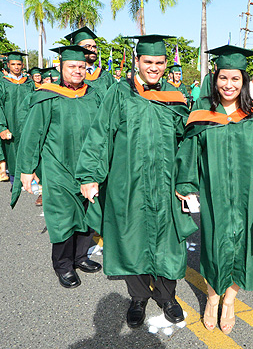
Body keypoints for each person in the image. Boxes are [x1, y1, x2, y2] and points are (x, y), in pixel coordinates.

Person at [76, 34, 194, 329]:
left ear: (166, 64)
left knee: (168, 242)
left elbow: (191, 141)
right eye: (148, 62)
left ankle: (168, 297)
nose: (154, 67)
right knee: (131, 239)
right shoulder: (119, 93)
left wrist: (188, 181)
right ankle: (138, 298)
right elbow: (100, 134)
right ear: (137, 62)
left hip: (166, 185)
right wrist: (90, 175)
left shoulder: (176, 97)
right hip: (128, 183)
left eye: (159, 62)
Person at [175, 45, 253, 334]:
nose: (228, 85)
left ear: (244, 81)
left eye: (235, 79)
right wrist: (186, 183)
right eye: (223, 78)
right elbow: (190, 151)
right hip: (215, 196)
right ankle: (212, 297)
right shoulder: (203, 114)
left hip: (249, 197)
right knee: (215, 246)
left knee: (246, 248)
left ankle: (229, 300)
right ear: (215, 79)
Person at [11, 45, 103, 288]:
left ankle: (81, 257)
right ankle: (63, 265)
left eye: (81, 67)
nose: (77, 71)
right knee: (63, 217)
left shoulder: (93, 95)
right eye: (72, 66)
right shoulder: (47, 95)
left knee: (88, 213)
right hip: (58, 167)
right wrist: (27, 169)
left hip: (88, 167)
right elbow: (33, 135)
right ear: (60, 68)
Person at [0, 51, 34, 184]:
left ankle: (31, 179)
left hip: (28, 122)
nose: (16, 67)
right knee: (12, 151)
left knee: (29, 149)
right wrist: (2, 127)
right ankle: (15, 181)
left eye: (19, 64)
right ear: (8, 65)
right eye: (13, 64)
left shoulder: (29, 83)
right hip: (11, 123)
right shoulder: (1, 84)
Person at [65, 26, 116, 94]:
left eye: (94, 47)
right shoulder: (70, 76)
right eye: (88, 46)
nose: (93, 49)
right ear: (78, 49)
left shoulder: (106, 76)